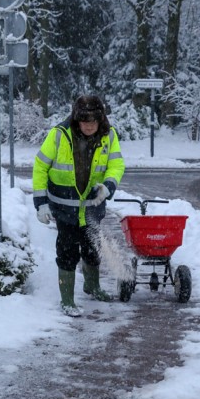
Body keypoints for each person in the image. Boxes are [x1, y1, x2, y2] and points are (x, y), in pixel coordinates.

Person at [32, 95, 125, 317]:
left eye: (93, 122)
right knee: (67, 252)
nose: (89, 126)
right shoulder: (59, 135)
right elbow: (40, 167)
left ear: (100, 119)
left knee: (92, 249)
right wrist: (41, 203)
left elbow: (116, 164)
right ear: (76, 119)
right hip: (65, 209)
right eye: (84, 122)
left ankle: (92, 286)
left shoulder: (109, 136)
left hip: (93, 207)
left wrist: (109, 185)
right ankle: (67, 300)